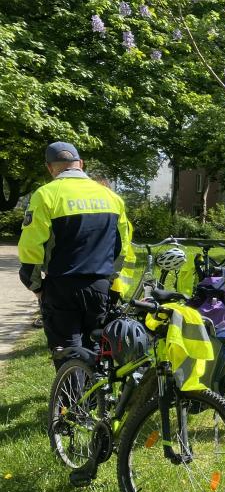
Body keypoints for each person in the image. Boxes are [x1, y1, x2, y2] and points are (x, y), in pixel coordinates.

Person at [18, 142, 134, 368]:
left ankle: (69, 402)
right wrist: (110, 279)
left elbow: (31, 247)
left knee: (67, 350)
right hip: (99, 285)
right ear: (80, 164)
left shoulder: (45, 195)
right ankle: (93, 401)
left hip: (61, 285)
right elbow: (122, 247)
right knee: (95, 347)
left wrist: (35, 286)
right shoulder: (110, 197)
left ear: (50, 168)